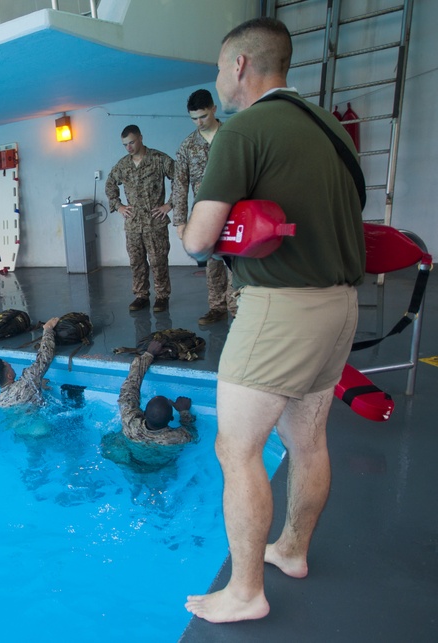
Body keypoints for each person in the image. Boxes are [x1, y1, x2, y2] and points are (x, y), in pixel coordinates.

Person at [181, 18, 364, 623]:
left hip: (280, 311)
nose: (216, 78)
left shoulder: (243, 131)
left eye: (217, 67)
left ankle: (245, 592)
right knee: (307, 439)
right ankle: (292, 549)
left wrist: (186, 226)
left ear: (238, 66)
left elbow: (200, 241)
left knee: (237, 449)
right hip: (339, 305)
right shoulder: (329, 129)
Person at [172, 89, 236, 325]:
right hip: (205, 215)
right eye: (194, 118)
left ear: (214, 110)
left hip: (235, 210)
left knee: (237, 262)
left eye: (203, 116)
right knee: (213, 262)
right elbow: (180, 184)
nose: (199, 122)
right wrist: (180, 221)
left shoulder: (232, 134)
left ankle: (237, 307)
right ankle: (217, 307)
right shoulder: (188, 146)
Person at [105, 125, 176, 313]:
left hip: (155, 222)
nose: (128, 147)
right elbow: (110, 183)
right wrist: (118, 206)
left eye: (131, 142)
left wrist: (169, 205)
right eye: (125, 145)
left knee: (158, 261)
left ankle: (162, 296)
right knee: (136, 262)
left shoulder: (159, 159)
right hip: (133, 224)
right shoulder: (123, 165)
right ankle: (141, 295)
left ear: (141, 138)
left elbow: (181, 179)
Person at [106, 339, 197, 464]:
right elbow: (193, 435)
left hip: (131, 462)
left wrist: (149, 354)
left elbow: (130, 387)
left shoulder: (130, 421)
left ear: (143, 412)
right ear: (171, 418)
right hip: (159, 468)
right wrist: (184, 412)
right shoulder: (177, 438)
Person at [0, 318, 59, 408]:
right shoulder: (28, 379)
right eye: (9, 366)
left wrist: (37, 384)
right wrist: (48, 329)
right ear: (9, 376)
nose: (11, 365)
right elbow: (45, 357)